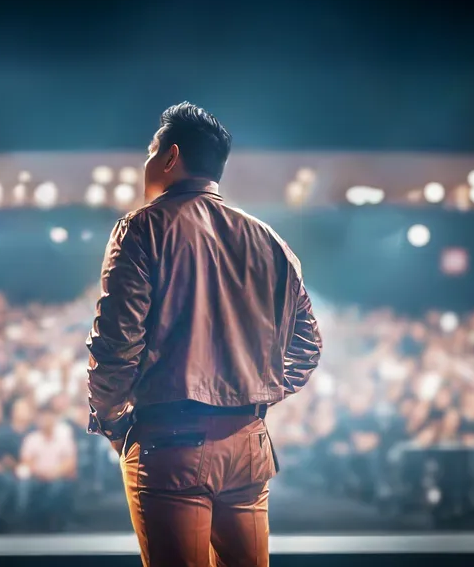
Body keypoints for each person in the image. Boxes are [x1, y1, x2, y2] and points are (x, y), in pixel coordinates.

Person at [87, 102, 322, 566]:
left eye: (151, 151)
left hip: (169, 442)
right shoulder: (270, 240)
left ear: (170, 156)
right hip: (248, 442)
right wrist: (254, 394)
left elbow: (116, 345)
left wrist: (113, 421)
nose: (146, 163)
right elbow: (308, 346)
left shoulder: (142, 228)